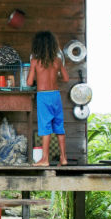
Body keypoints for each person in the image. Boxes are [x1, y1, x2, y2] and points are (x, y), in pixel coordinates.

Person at [27, 31, 70, 166]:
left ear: (37, 46)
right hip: (55, 95)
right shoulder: (57, 61)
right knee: (59, 126)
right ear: (53, 45)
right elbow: (66, 78)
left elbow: (29, 82)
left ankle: (45, 159)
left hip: (43, 96)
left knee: (45, 127)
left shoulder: (35, 61)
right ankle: (63, 158)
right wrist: (54, 76)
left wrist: (37, 78)